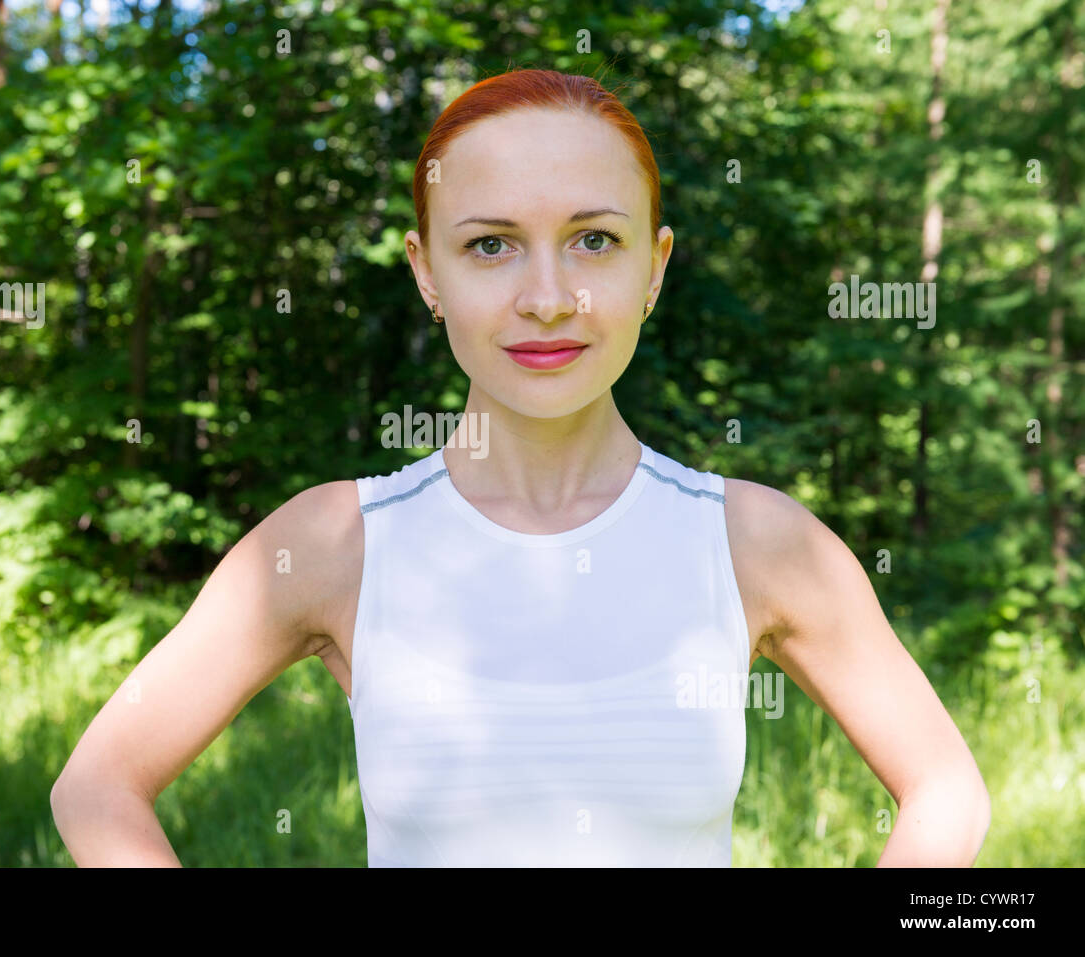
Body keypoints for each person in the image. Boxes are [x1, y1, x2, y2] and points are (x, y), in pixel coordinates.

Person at [51, 67, 990, 867]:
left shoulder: (753, 540)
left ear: (654, 268)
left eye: (595, 240)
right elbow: (98, 787)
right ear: (427, 271)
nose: (547, 298)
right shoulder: (337, 540)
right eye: (490, 245)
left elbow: (945, 785)